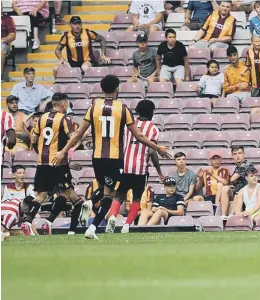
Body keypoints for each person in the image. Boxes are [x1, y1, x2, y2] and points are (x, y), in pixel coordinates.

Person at [50, 75, 170, 239]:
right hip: (115, 158)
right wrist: (158, 148)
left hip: (97, 157)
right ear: (117, 89)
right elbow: (139, 136)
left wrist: (63, 151)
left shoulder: (93, 107)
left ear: (101, 89)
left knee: (102, 188)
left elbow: (79, 133)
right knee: (110, 195)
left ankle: (90, 202)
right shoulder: (123, 109)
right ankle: (92, 227)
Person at [20, 93, 83, 236]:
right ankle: (70, 231)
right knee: (72, 198)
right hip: (59, 164)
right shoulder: (64, 119)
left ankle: (28, 221)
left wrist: (41, 153)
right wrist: (75, 145)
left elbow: (34, 138)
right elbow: (72, 137)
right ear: (64, 104)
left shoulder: (41, 118)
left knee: (41, 196)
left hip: (42, 163)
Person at [104, 100, 164, 234]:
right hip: (140, 169)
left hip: (125, 167)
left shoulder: (128, 126)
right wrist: (159, 171)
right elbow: (152, 151)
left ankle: (112, 217)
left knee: (119, 196)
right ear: (151, 112)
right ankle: (126, 226)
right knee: (137, 198)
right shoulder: (153, 128)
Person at [220, 146, 254, 217]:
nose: (237, 156)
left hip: (248, 193)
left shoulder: (246, 165)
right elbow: (232, 182)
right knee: (225, 189)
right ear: (232, 156)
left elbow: (231, 180)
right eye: (235, 154)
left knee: (238, 192)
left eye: (239, 153)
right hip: (238, 191)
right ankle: (223, 215)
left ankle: (232, 214)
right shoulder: (237, 167)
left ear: (243, 154)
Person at [1, 11, 16, 80]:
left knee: (1, 49)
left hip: (4, 44)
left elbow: (12, 36)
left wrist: (3, 40)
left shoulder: (8, 19)